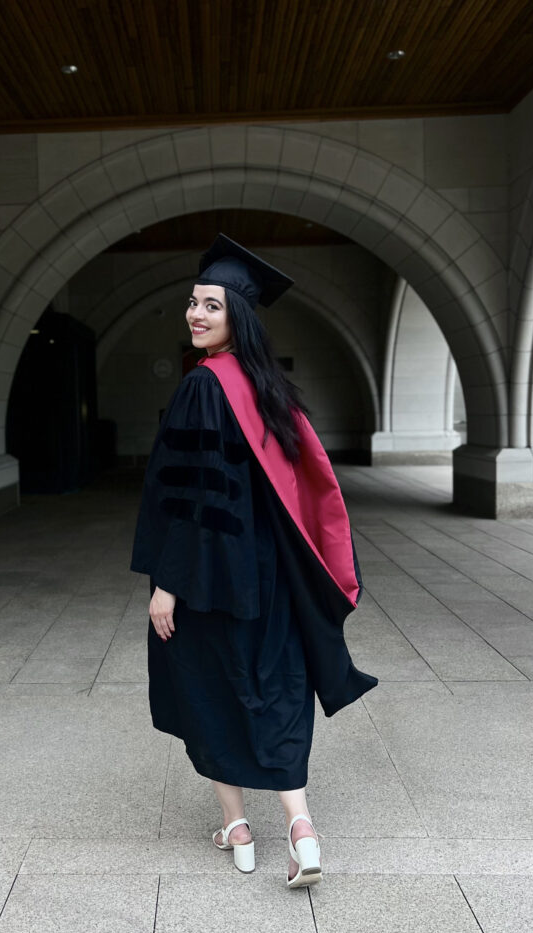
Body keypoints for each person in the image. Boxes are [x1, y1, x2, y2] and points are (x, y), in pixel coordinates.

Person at [130, 234, 378, 888]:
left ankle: (237, 829)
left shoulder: (201, 388)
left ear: (237, 315)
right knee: (273, 687)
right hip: (268, 576)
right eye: (191, 302)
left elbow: (186, 501)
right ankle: (301, 828)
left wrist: (166, 585)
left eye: (210, 304)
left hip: (212, 578)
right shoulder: (271, 388)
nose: (195, 314)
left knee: (208, 690)